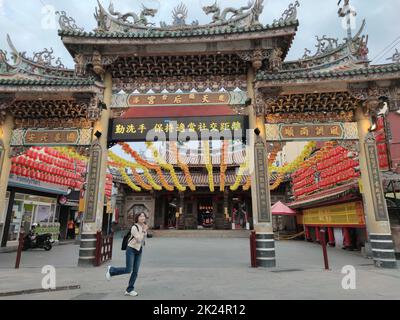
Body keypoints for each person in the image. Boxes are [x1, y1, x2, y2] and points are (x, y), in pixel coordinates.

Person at [105, 212, 148, 297]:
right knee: (129, 270)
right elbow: (139, 239)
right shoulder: (134, 227)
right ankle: (111, 270)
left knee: (135, 271)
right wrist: (144, 231)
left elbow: (143, 240)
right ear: (137, 218)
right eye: (141, 216)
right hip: (131, 249)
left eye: (144, 216)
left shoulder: (143, 227)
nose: (143, 218)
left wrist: (144, 231)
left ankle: (129, 290)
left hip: (139, 250)